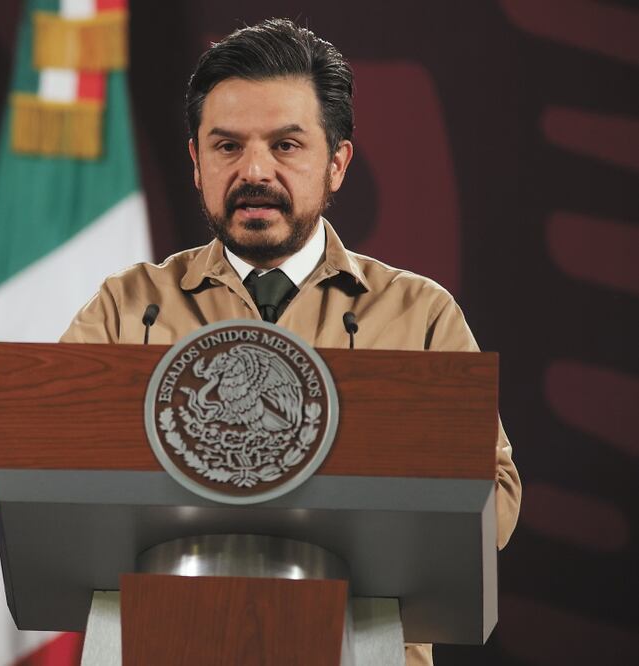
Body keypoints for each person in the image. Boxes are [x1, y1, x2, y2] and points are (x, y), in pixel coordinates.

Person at [59, 18, 521, 666]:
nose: (254, 170)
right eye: (226, 146)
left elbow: (492, 493)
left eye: (284, 146)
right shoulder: (126, 306)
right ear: (194, 162)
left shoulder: (419, 315)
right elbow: (37, 468)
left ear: (335, 163)